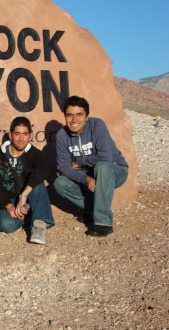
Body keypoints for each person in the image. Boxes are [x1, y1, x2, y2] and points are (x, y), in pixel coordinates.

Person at [54, 96, 128, 237]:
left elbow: (106, 157)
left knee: (102, 167)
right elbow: (64, 167)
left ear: (86, 116)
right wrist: (85, 179)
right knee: (60, 183)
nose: (74, 120)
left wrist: (80, 162)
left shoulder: (97, 125)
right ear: (65, 116)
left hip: (114, 170)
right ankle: (92, 209)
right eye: (69, 115)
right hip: (88, 173)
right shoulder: (62, 135)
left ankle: (103, 223)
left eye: (79, 115)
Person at [0, 117, 54, 244]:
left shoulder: (35, 154)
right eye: (17, 134)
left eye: (25, 134)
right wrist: (10, 206)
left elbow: (43, 170)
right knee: (6, 225)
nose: (21, 139)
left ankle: (38, 225)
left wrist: (24, 195)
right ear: (10, 134)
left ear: (31, 135)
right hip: (10, 199)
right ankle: (31, 216)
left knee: (37, 178)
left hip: (30, 196)